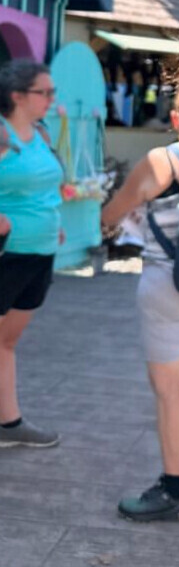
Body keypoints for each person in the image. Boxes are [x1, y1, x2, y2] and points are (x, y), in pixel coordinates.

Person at [101, 76, 179, 522]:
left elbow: (113, 213)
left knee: (169, 390)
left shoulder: (162, 160)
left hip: (167, 285)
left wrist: (112, 218)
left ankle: (173, 489)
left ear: (176, 117)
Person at [0, 59, 63, 449]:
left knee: (6, 342)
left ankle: (8, 424)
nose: (51, 99)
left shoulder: (40, 133)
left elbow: (47, 187)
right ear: (18, 96)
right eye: (45, 92)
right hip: (8, 255)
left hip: (40, 253)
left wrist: (54, 222)